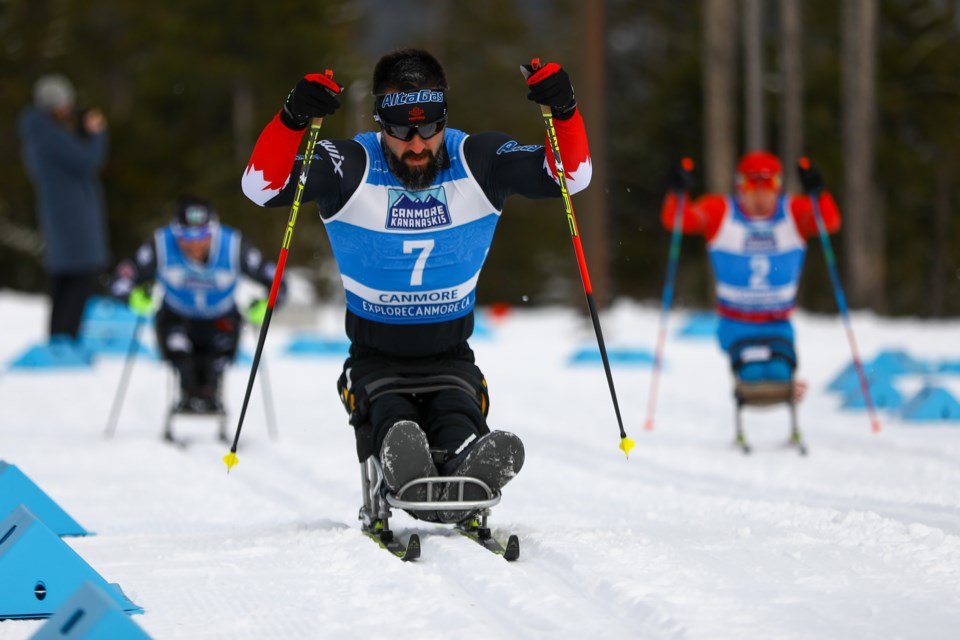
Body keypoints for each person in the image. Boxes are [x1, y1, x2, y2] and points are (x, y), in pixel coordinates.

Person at [241, 49, 591, 522]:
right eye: (400, 128)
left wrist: (564, 110)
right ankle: (404, 464)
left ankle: (462, 457)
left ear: (444, 117)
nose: (417, 143)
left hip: (451, 357)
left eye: (428, 127)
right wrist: (292, 118)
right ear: (380, 120)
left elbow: (573, 176)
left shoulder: (478, 160)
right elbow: (261, 187)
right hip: (374, 360)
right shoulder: (351, 164)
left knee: (458, 411)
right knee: (392, 418)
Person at [661, 151, 842, 398]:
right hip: (736, 323)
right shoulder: (720, 210)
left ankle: (786, 388)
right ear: (740, 187)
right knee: (753, 376)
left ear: (778, 187)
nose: (760, 197)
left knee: (779, 371)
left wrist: (818, 192)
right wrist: (677, 192)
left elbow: (829, 222)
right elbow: (677, 221)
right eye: (751, 188)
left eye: (767, 188)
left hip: (777, 323)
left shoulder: (793, 211)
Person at [109, 196, 285, 413]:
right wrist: (133, 297)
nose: (194, 244)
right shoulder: (161, 243)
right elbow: (120, 280)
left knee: (216, 361)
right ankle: (187, 391)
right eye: (185, 236)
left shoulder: (234, 245)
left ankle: (212, 392)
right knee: (182, 357)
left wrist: (267, 305)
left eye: (203, 235)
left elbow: (279, 281)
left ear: (214, 230)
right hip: (177, 318)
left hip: (221, 319)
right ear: (176, 231)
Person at [18, 73, 111, 340]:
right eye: (63, 105)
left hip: (64, 216)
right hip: (71, 219)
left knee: (67, 278)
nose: (68, 110)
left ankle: (59, 337)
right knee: (79, 277)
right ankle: (64, 339)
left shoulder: (43, 132)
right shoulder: (48, 135)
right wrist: (97, 135)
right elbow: (86, 161)